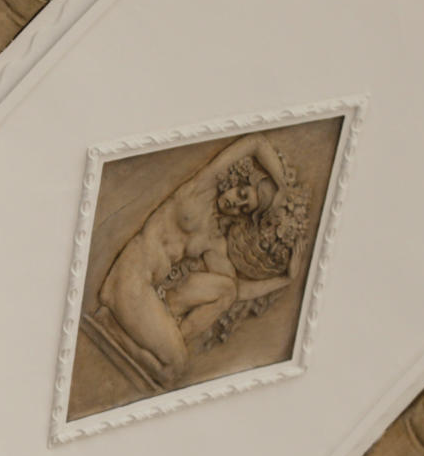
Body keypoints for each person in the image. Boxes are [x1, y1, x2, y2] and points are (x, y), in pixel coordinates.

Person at [93, 133, 308, 388]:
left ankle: (145, 326)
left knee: (225, 289)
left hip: (147, 290)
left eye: (243, 208)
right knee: (176, 367)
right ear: (237, 179)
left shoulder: (213, 239)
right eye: (241, 193)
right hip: (131, 277)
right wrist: (282, 186)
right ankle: (107, 323)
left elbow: (236, 291)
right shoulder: (202, 187)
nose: (234, 203)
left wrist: (285, 279)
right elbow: (256, 143)